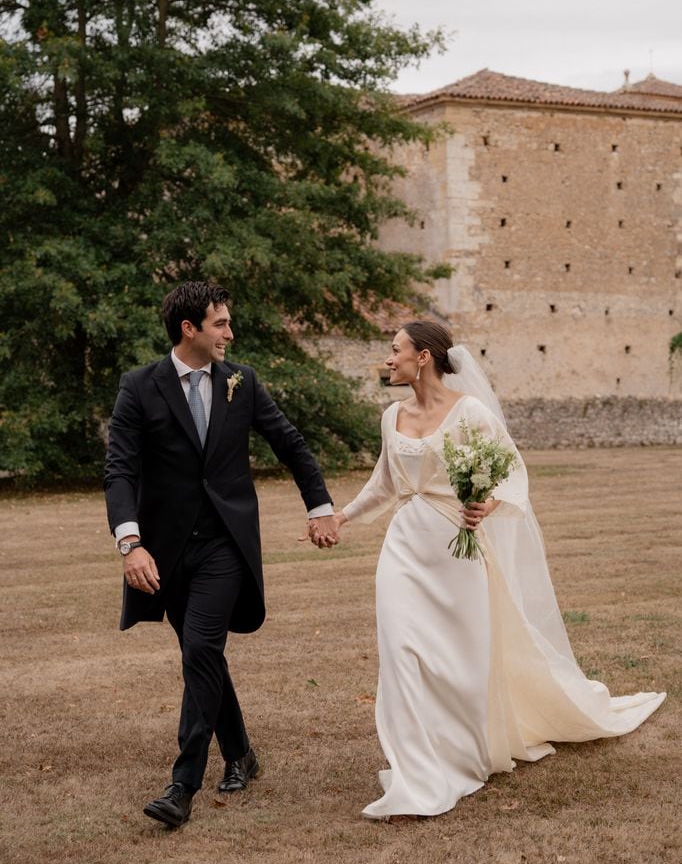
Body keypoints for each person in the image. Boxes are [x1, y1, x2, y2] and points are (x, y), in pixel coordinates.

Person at [333, 320, 665, 820]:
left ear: (423, 357)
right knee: (400, 653)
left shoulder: (470, 414)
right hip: (404, 550)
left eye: (395, 350)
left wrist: (484, 505)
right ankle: (415, 770)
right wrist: (338, 517)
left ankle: (461, 751)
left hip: (458, 548)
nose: (388, 358)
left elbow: (510, 473)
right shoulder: (391, 417)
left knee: (461, 660)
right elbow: (383, 485)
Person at [104, 281, 338, 828]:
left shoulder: (241, 381)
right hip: (164, 552)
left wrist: (319, 507)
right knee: (201, 653)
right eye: (221, 324)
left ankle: (182, 785)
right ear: (191, 329)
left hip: (227, 546)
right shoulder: (139, 387)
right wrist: (130, 542)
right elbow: (120, 470)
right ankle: (242, 755)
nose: (230, 333)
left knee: (202, 646)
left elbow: (291, 443)